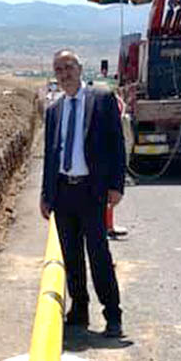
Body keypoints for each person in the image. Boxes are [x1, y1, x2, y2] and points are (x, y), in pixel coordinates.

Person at [40, 49, 126, 338]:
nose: (64, 73)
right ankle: (79, 310)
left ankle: (112, 314)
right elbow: (50, 155)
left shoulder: (101, 100)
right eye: (59, 69)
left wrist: (116, 185)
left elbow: (117, 144)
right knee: (72, 255)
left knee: (99, 253)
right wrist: (45, 195)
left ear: (80, 68)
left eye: (69, 67)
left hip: (92, 190)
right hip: (63, 191)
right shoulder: (54, 110)